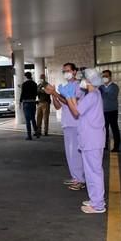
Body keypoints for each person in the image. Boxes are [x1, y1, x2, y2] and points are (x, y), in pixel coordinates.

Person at [59, 69, 106, 213]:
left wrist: (68, 97)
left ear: (90, 81)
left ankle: (98, 204)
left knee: (94, 172)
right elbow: (78, 108)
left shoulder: (92, 96)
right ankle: (95, 199)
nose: (81, 81)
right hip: (90, 139)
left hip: (92, 139)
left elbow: (75, 112)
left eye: (83, 79)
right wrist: (70, 97)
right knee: (91, 171)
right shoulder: (92, 95)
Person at [45, 62, 85, 191]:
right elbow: (58, 106)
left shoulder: (79, 86)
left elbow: (71, 102)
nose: (66, 73)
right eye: (64, 71)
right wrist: (53, 95)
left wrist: (55, 93)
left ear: (74, 71)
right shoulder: (65, 86)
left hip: (76, 123)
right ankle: (75, 177)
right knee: (69, 153)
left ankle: (80, 179)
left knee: (75, 153)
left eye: (67, 70)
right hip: (67, 123)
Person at [100, 69, 121, 152]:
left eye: (106, 76)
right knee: (104, 129)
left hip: (112, 111)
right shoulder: (101, 87)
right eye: (103, 76)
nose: (104, 78)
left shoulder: (114, 87)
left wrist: (102, 91)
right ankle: (104, 145)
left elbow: (112, 96)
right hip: (103, 111)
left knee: (114, 128)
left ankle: (116, 147)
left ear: (110, 77)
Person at [20, 71, 39, 140]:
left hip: (26, 103)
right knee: (33, 118)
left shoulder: (24, 84)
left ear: (25, 77)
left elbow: (22, 94)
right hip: (33, 102)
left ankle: (29, 135)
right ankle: (36, 132)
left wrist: (20, 102)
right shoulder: (34, 84)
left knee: (27, 120)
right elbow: (36, 93)